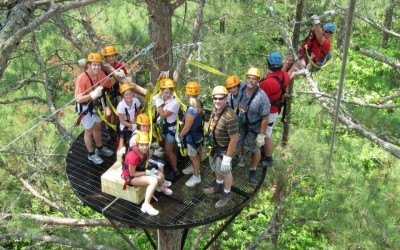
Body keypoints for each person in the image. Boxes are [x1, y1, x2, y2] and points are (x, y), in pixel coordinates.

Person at [75, 52, 114, 165]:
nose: (96, 67)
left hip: (96, 105)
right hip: (85, 106)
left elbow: (109, 82)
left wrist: (121, 76)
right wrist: (91, 95)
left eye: (98, 65)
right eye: (94, 65)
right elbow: (78, 99)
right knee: (88, 131)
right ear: (89, 65)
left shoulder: (100, 73)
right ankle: (91, 154)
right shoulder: (82, 78)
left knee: (98, 126)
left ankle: (99, 148)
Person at [203, 86, 238, 209]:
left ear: (226, 98)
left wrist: (227, 158)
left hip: (224, 149)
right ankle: (218, 186)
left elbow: (234, 139)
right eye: (215, 98)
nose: (218, 101)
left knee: (225, 171)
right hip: (214, 146)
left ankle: (227, 193)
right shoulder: (216, 109)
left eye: (221, 98)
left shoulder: (230, 116)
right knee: (215, 168)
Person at [122, 131, 173, 216]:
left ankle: (161, 187)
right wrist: (147, 173)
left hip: (139, 170)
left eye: (146, 144)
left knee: (160, 175)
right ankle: (146, 204)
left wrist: (153, 171)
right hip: (130, 177)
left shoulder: (145, 151)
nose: (144, 147)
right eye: (142, 145)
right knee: (153, 180)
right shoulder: (133, 156)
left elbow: (146, 162)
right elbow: (132, 174)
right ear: (137, 144)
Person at [237, 67, 270, 183]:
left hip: (254, 127)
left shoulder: (262, 97)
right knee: (241, 141)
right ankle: (242, 156)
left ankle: (253, 169)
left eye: (254, 79)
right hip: (241, 122)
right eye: (249, 78)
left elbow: (265, 118)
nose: (250, 81)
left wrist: (261, 135)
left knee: (254, 149)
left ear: (258, 81)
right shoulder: (241, 89)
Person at [259, 52, 290, 167]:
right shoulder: (285, 75)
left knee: (267, 133)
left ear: (268, 64)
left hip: (268, 112)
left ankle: (268, 158)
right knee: (268, 131)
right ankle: (265, 153)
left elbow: (261, 101)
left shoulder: (266, 83)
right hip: (276, 109)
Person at [129, 113, 172, 189]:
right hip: (139, 159)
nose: (146, 128)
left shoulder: (143, 133)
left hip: (144, 154)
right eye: (144, 126)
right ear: (139, 126)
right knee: (160, 163)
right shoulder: (135, 137)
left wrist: (152, 147)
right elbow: (137, 152)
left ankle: (161, 179)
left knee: (161, 159)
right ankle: (160, 183)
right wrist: (153, 152)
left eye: (147, 126)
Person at [175, 81, 204, 187]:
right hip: (198, 134)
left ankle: (197, 176)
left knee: (193, 157)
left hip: (191, 137)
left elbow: (187, 127)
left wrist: (179, 136)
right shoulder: (198, 104)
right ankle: (193, 168)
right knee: (195, 154)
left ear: (187, 93)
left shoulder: (191, 110)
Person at [152, 78, 180, 180]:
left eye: (169, 92)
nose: (167, 95)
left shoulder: (175, 103)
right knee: (165, 149)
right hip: (163, 128)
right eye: (165, 92)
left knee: (168, 151)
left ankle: (175, 169)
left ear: (172, 92)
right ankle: (170, 165)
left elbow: (163, 115)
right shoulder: (162, 98)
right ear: (162, 91)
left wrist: (158, 102)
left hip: (170, 130)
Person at [102, 45, 131, 141]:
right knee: (108, 113)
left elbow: (128, 75)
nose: (111, 58)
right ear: (106, 57)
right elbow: (107, 83)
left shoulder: (119, 65)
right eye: (109, 56)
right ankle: (108, 128)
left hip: (118, 91)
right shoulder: (103, 67)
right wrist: (116, 76)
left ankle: (113, 130)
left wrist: (126, 78)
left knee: (116, 113)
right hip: (107, 92)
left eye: (113, 56)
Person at [116, 83, 141, 151]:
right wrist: (132, 126)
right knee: (121, 145)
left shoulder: (136, 101)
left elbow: (138, 113)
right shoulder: (121, 106)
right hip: (125, 125)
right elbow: (122, 121)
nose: (129, 96)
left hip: (134, 122)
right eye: (126, 94)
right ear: (123, 95)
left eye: (130, 94)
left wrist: (139, 122)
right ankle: (119, 158)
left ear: (133, 93)